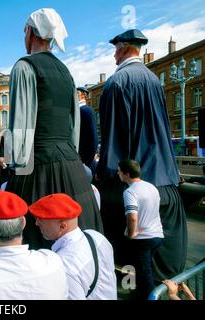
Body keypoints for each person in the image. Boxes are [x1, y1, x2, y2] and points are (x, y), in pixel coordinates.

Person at [5, 8, 103, 250]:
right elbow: (73, 126)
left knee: (29, 240)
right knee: (77, 238)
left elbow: (20, 126)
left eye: (24, 31)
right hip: (71, 165)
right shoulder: (66, 72)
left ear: (31, 31)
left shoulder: (24, 67)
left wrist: (15, 169)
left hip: (36, 165)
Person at [96, 29, 187, 279]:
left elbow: (113, 141)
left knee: (130, 270)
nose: (114, 55)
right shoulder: (154, 80)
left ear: (125, 48)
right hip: (164, 180)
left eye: (116, 49)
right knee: (161, 272)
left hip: (133, 190)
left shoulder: (117, 83)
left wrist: (104, 179)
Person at [29, 193, 117, 300]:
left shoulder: (63, 265)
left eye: (41, 219)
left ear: (62, 226)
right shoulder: (96, 237)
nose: (37, 223)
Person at [117, 159, 164, 299]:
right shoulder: (151, 187)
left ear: (126, 174)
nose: (118, 174)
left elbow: (132, 217)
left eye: (119, 171)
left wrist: (131, 233)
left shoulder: (130, 192)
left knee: (144, 274)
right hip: (157, 235)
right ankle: (136, 293)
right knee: (142, 269)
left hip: (141, 239)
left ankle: (150, 297)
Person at [77, 86, 98, 169]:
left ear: (83, 95)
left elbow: (93, 135)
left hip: (85, 159)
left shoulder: (86, 110)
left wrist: (88, 159)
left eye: (77, 93)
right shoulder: (80, 110)